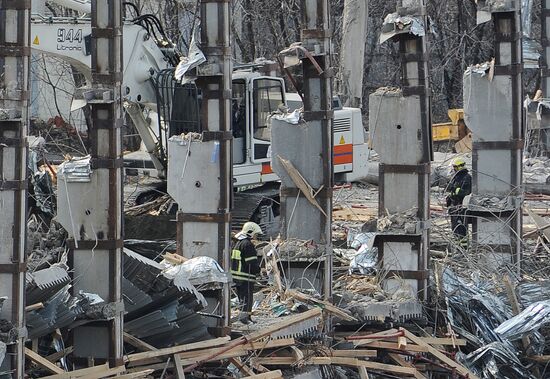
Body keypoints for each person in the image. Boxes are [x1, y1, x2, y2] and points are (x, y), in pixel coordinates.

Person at [231, 221, 263, 324]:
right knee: (247, 298)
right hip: (246, 276)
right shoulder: (247, 245)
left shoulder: (238, 243)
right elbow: (251, 263)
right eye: (255, 234)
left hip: (237, 277)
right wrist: (259, 270)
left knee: (242, 298)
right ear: (250, 232)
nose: (256, 236)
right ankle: (245, 318)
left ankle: (246, 317)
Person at [446, 157, 472, 242]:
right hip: (454, 207)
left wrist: (455, 189)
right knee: (455, 229)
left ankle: (463, 250)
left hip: (461, 207)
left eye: (455, 167)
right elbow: (451, 191)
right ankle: (457, 247)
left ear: (460, 166)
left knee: (461, 229)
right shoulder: (456, 177)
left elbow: (466, 192)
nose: (454, 169)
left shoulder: (466, 177)